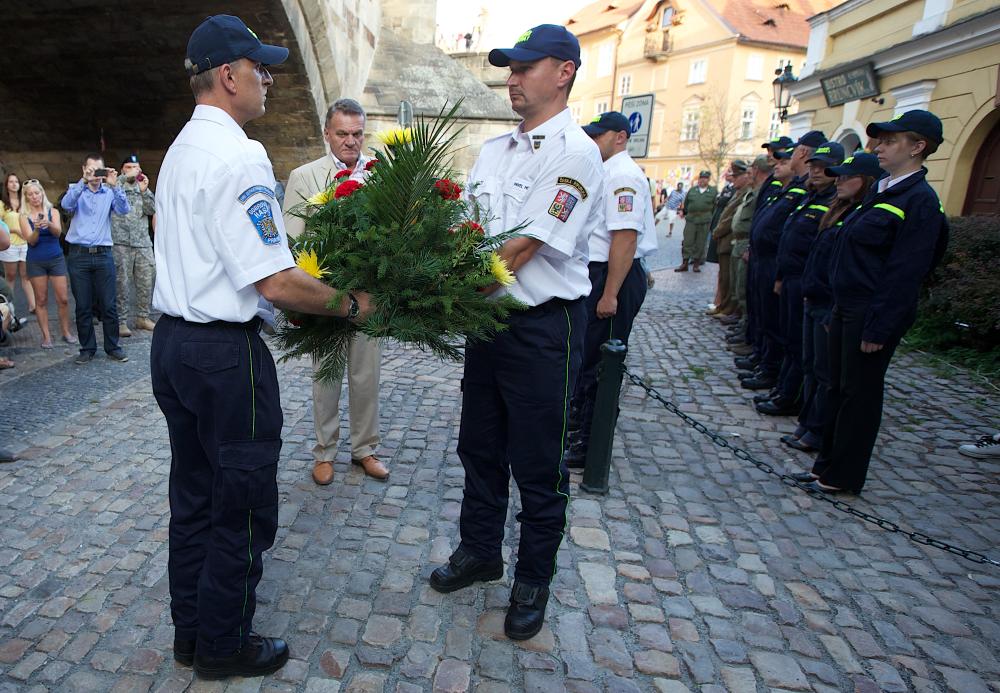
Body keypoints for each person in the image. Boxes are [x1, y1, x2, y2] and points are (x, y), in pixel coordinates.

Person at [150, 15, 373, 679]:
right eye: (259, 68)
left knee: (193, 496)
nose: (270, 79)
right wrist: (351, 304)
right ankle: (224, 644)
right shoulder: (239, 154)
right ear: (227, 76)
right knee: (241, 504)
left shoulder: (182, 148)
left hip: (174, 346)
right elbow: (274, 279)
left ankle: (192, 631)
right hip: (223, 355)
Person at [428, 24, 603, 642]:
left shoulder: (576, 153)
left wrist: (446, 291)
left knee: (537, 461)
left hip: (541, 328)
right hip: (488, 324)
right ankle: (480, 550)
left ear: (563, 73)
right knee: (479, 445)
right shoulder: (494, 151)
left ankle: (533, 578)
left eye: (526, 66)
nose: (513, 77)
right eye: (509, 67)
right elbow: (466, 229)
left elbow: (525, 245)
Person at [794, 110, 949, 494]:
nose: (879, 147)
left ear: (917, 147)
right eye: (881, 140)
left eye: (891, 141)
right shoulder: (882, 191)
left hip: (871, 312)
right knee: (836, 388)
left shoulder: (920, 200)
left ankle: (842, 476)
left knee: (858, 395)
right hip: (845, 306)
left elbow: (907, 270)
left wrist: (881, 325)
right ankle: (824, 466)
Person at [282, 98, 386, 484]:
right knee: (325, 377)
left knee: (366, 375)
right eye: (342, 133)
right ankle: (324, 451)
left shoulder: (380, 175)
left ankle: (365, 449)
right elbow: (293, 241)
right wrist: (303, 297)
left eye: (357, 134)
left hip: (368, 296)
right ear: (327, 133)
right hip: (324, 294)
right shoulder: (304, 176)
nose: (350, 141)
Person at [564, 111, 656, 468]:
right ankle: (582, 427)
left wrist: (610, 294)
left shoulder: (624, 175)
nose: (592, 141)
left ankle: (592, 442)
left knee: (603, 363)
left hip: (612, 274)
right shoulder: (607, 170)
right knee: (589, 358)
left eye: (599, 135)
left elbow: (625, 239)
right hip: (600, 272)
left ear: (619, 137)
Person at [784, 153, 881, 452]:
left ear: (864, 181)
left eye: (845, 176)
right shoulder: (838, 211)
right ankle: (809, 421)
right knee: (812, 365)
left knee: (827, 373)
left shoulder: (860, 214)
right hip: (815, 297)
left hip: (832, 303)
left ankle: (818, 427)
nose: (838, 181)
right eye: (837, 175)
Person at [758, 141, 844, 416]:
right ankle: (785, 389)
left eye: (824, 168)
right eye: (815, 167)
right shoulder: (810, 196)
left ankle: (791, 397)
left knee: (800, 346)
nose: (817, 172)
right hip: (794, 278)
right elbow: (789, 238)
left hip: (809, 282)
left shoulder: (832, 202)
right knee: (791, 339)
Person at [61, 154, 130, 364]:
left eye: (98, 171)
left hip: (102, 254)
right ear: (84, 169)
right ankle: (87, 348)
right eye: (91, 170)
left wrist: (115, 185)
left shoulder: (109, 193)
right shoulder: (77, 189)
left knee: (109, 304)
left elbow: (124, 209)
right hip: (79, 255)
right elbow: (66, 204)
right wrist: (83, 181)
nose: (95, 175)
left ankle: (113, 346)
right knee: (83, 305)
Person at [19, 180, 76, 348]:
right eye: (30, 194)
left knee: (63, 298)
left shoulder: (53, 212)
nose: (35, 197)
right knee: (41, 300)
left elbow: (58, 232)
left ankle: (66, 331)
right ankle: (46, 336)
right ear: (26, 198)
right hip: (36, 260)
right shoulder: (23, 216)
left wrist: (48, 223)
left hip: (55, 257)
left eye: (37, 193)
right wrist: (37, 229)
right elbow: (31, 241)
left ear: (42, 193)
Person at [726, 156, 773, 356]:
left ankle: (748, 333)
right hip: (742, 243)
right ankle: (745, 328)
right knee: (740, 287)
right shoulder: (753, 191)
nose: (748, 172)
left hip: (748, 243)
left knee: (747, 292)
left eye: (751, 169)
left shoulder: (764, 191)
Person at [111, 154, 157, 337]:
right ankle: (121, 321)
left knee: (146, 280)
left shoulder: (142, 187)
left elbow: (151, 210)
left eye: (136, 167)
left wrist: (145, 191)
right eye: (129, 167)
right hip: (121, 241)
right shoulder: (114, 185)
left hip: (142, 242)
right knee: (121, 282)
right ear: (122, 169)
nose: (133, 170)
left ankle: (142, 317)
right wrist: (124, 178)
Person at [706, 160, 749, 318]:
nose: (734, 178)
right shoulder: (735, 191)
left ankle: (728, 308)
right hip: (725, 240)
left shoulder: (745, 192)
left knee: (729, 278)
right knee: (724, 276)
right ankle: (723, 305)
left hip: (730, 238)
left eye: (737, 175)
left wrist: (717, 230)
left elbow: (729, 218)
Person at [0, 173, 35, 316]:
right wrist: (14, 230)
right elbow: (1, 224)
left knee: (26, 275)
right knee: (11, 276)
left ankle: (33, 305)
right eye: (11, 182)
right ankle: (9, 307)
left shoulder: (24, 202)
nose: (14, 184)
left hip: (24, 243)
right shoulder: (2, 204)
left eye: (16, 181)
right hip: (10, 244)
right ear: (6, 185)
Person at [675, 171, 715, 272]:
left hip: (704, 220)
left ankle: (696, 263)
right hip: (691, 219)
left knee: (700, 242)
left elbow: (715, 207)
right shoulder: (692, 190)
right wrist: (684, 212)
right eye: (701, 178)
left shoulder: (713, 191)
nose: (702, 180)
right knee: (687, 241)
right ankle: (684, 263)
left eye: (705, 178)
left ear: (708, 179)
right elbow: (687, 203)